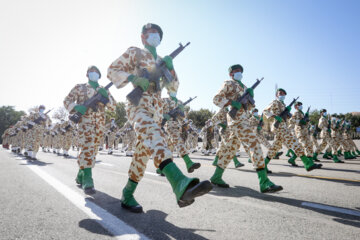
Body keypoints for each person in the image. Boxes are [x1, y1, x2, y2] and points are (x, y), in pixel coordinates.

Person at [107, 23, 212, 212]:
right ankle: (179, 184)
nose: (154, 36)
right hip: (138, 106)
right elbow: (112, 70)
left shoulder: (163, 60)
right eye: (150, 33)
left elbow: (173, 88)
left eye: (157, 34)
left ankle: (127, 193)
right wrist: (133, 78)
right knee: (156, 136)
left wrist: (170, 70)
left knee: (142, 155)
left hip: (156, 109)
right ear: (143, 37)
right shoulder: (135, 52)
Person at [210, 64, 282, 193]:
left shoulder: (244, 87)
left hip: (243, 121)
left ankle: (216, 177)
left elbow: (247, 108)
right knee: (255, 146)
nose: (239, 73)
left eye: (241, 71)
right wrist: (231, 102)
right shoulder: (229, 83)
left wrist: (250, 97)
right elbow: (216, 99)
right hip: (237, 122)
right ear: (231, 74)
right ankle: (264, 182)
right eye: (236, 71)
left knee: (230, 151)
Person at [64, 65, 116, 194]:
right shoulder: (79, 87)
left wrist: (107, 98)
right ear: (87, 75)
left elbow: (113, 107)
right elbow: (66, 101)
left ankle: (81, 174)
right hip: (85, 123)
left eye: (96, 72)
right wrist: (76, 107)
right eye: (91, 72)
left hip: (99, 125)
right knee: (87, 146)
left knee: (93, 151)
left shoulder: (104, 90)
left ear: (99, 75)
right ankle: (88, 179)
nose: (94, 73)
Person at [263, 89, 322, 171]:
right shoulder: (275, 102)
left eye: (284, 94)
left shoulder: (283, 104)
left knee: (275, 148)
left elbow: (288, 118)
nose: (282, 95)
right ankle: (307, 163)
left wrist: (287, 113)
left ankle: (263, 165)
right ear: (276, 95)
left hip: (283, 127)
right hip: (279, 127)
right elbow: (265, 111)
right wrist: (275, 116)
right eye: (280, 93)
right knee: (295, 142)